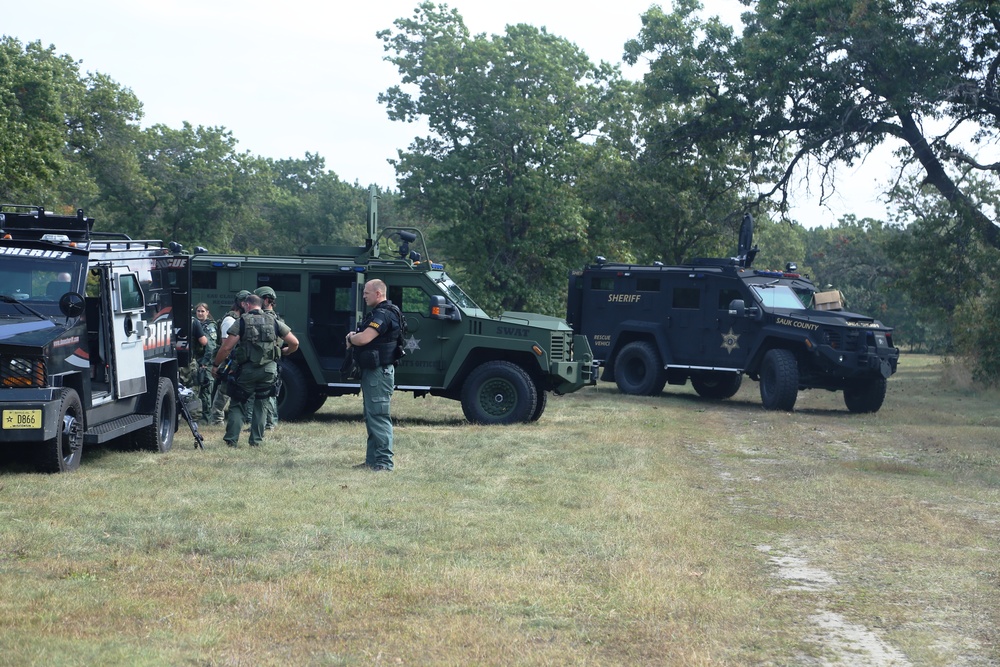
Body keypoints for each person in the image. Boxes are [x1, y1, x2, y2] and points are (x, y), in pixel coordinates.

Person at [212, 293, 298, 447]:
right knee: (262, 404)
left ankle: (232, 440)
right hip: (269, 371)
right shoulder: (274, 321)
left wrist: (216, 364)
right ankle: (256, 441)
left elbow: (226, 347)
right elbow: (295, 342)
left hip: (247, 370)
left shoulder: (242, 322)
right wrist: (285, 351)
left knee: (238, 403)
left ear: (247, 305)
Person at [345, 279, 400, 471]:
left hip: (379, 373)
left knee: (378, 416)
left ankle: (384, 463)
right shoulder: (383, 313)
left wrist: (351, 338)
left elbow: (364, 338)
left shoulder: (383, 314)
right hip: (374, 372)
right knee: (371, 416)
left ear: (378, 293)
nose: (363, 295)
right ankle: (372, 461)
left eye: (367, 292)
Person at [210, 291, 249, 425]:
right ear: (241, 303)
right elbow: (226, 346)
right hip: (230, 361)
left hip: (239, 361)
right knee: (224, 391)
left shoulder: (243, 319)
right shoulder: (230, 320)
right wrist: (218, 364)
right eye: (246, 303)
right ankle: (216, 420)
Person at [253, 286, 286, 430]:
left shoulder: (268, 319)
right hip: (269, 359)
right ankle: (266, 423)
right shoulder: (278, 318)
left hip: (265, 360)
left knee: (269, 392)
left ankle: (269, 423)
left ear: (266, 300)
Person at [194, 303, 218, 420]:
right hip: (198, 360)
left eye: (202, 311)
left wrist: (205, 363)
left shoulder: (210, 327)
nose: (200, 313)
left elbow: (211, 347)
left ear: (207, 312)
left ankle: (206, 418)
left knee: (206, 390)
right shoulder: (197, 324)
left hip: (206, 362)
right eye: (198, 311)